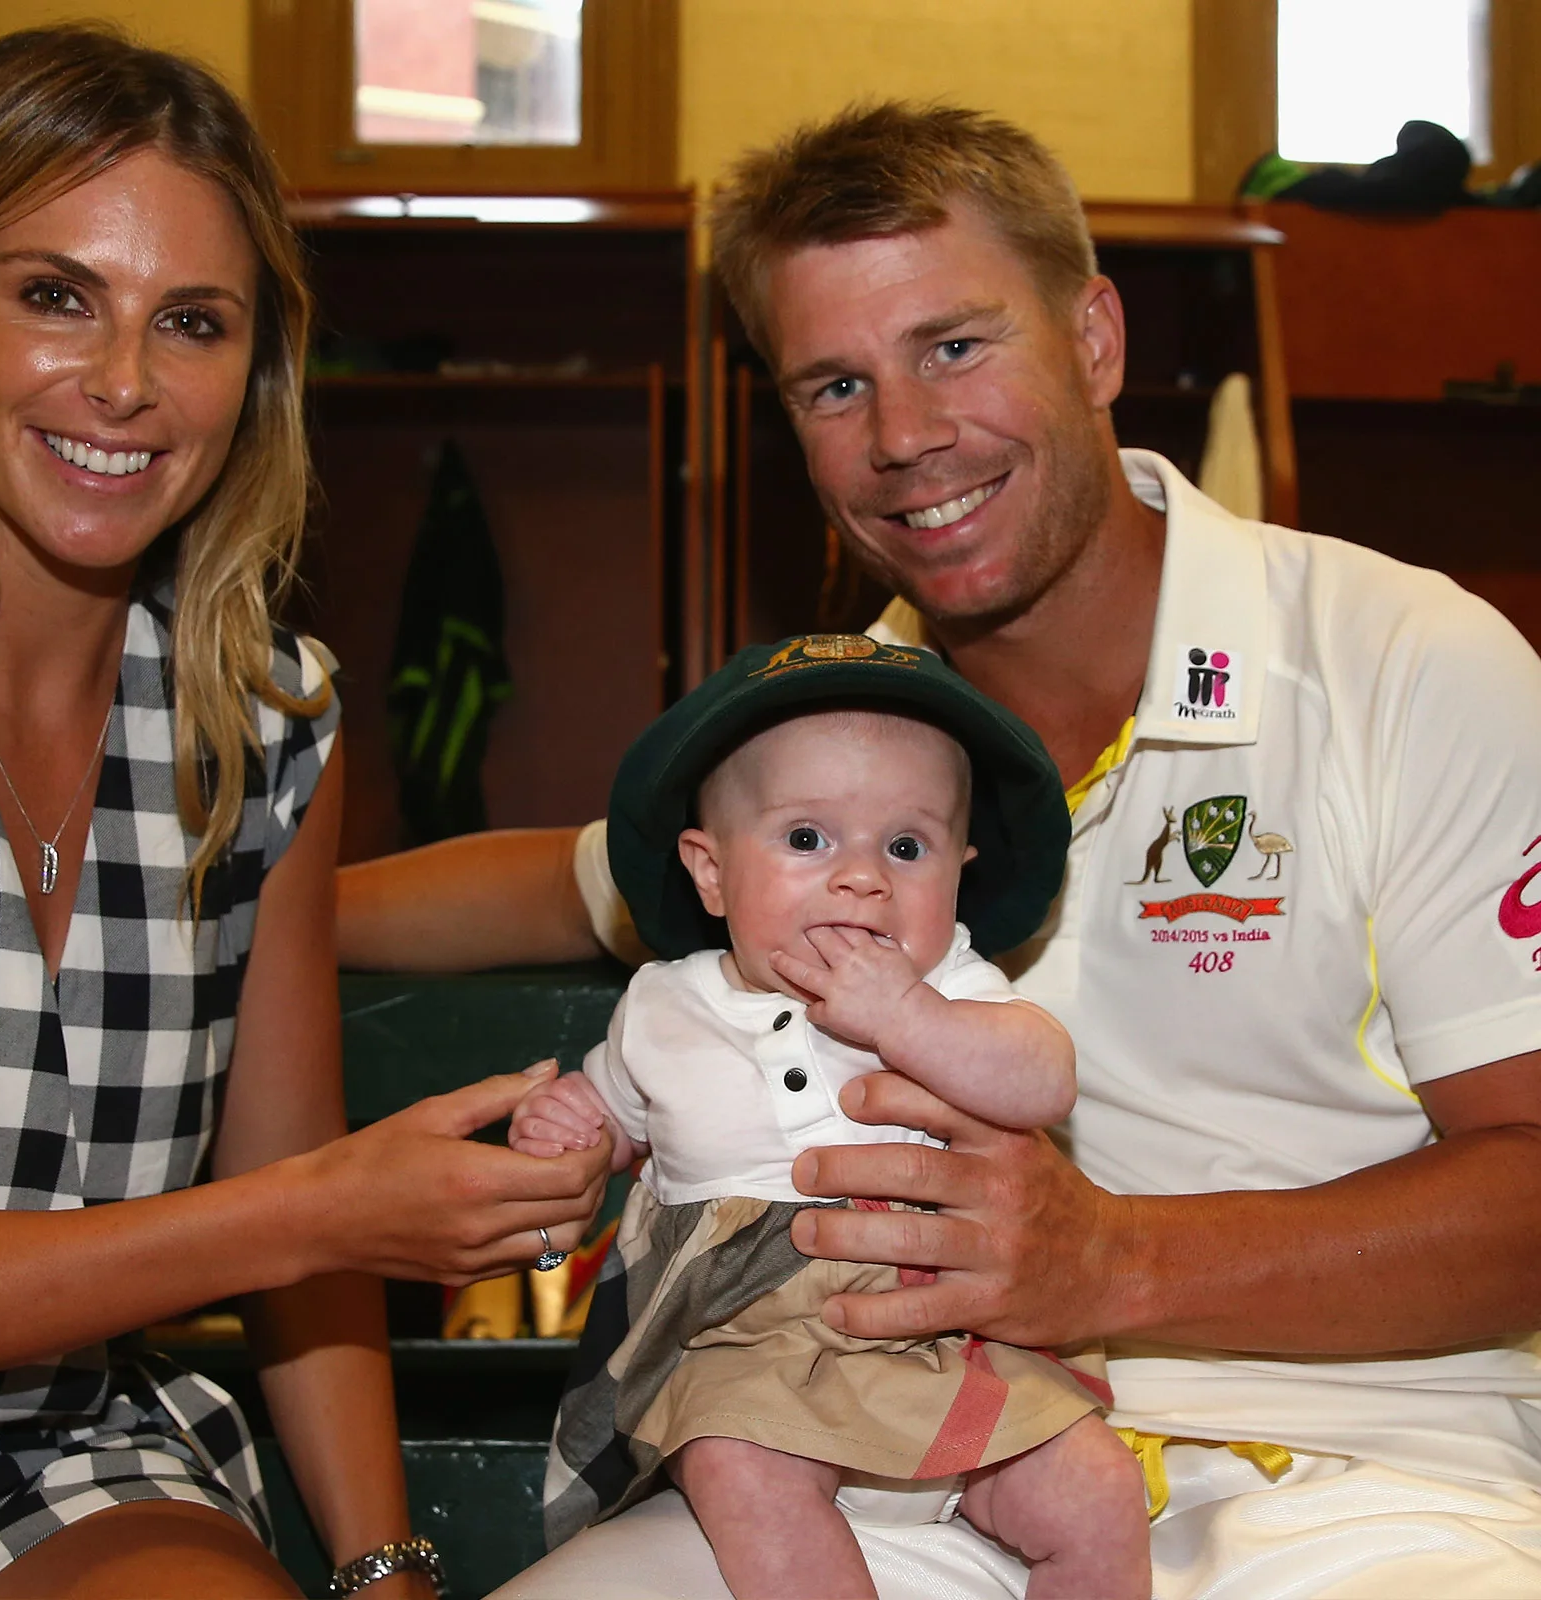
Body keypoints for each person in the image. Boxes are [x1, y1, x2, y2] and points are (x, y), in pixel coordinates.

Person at [341, 104, 1541, 1597]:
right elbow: (553, 877)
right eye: (836, 384)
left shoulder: (1408, 661)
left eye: (955, 347)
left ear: (1094, 340)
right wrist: (249, 920)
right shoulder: (820, 758)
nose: (904, 437)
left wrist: (1117, 1262)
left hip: (1376, 1479)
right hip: (879, 1468)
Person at [0, 28, 606, 1600]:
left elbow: (302, 1244)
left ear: (252, 373)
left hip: (65, 1454)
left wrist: (384, 1571)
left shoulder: (268, 717)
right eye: (57, 295)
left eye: (193, 322)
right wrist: (292, 1214)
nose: (129, 383)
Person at [508, 639, 1149, 1600]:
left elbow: (1043, 1080)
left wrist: (909, 1018)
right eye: (807, 839)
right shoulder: (665, 1006)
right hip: (746, 1354)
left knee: (1101, 1493)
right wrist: (572, 1123)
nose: (862, 878)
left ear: (958, 875)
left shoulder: (948, 984)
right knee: (735, 1467)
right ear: (710, 871)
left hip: (947, 1335)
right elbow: (614, 1119)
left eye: (906, 846)